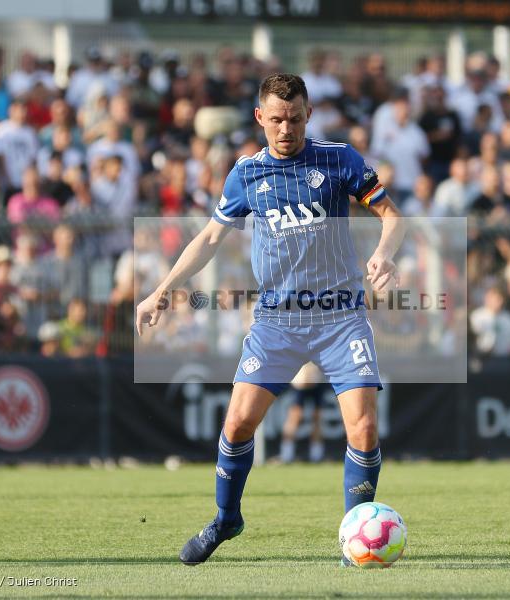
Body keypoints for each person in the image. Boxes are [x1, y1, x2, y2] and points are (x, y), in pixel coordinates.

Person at [135, 74, 405, 566]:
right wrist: (161, 291)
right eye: (277, 120)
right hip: (277, 321)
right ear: (260, 118)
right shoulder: (245, 175)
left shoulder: (338, 159)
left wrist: (385, 255)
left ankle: (354, 539)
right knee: (237, 423)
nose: (287, 130)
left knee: (363, 430)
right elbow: (210, 239)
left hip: (341, 316)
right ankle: (225, 519)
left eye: (296, 119)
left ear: (309, 114)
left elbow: (392, 216)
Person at [280, 362, 328, 464]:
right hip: (300, 382)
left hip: (317, 381)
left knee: (317, 418)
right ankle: (286, 454)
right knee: (295, 416)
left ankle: (316, 455)